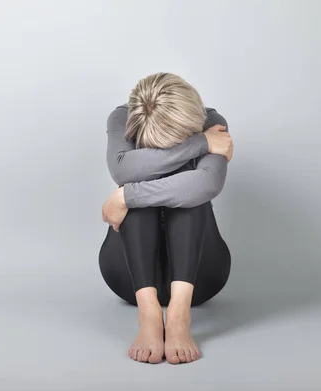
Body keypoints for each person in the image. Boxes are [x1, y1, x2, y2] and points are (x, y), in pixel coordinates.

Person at [99, 72, 233, 365]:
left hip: (202, 276)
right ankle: (148, 315)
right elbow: (123, 171)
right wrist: (200, 144)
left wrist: (126, 196)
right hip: (126, 276)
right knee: (140, 191)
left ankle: (178, 315)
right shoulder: (122, 117)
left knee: (186, 194)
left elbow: (207, 184)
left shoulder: (212, 121)